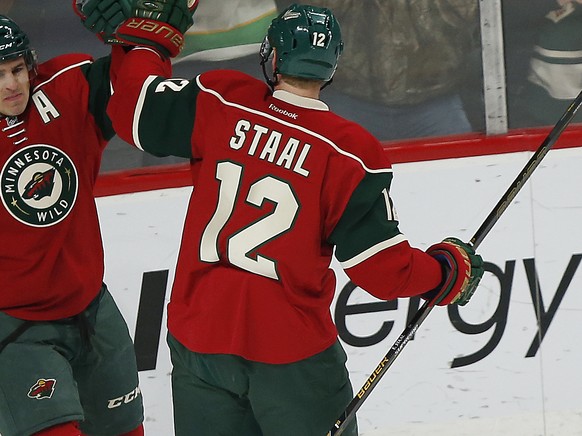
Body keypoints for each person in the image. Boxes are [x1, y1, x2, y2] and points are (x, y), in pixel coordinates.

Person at [106, 2, 484, 435]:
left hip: (200, 340)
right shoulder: (350, 153)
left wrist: (142, 40)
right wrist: (444, 271)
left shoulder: (222, 98)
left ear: (273, 55)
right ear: (332, 64)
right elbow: (381, 270)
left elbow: (131, 108)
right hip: (291, 355)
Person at [0, 2, 145, 436]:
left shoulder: (68, 89)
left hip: (91, 310)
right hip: (18, 328)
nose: (11, 85)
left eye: (17, 69)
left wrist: (131, 40)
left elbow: (132, 88)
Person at [273, 0, 482, 140]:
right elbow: (312, 17)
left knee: (463, 180)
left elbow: (468, 14)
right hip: (348, 99)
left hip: (435, 102)